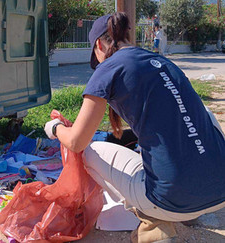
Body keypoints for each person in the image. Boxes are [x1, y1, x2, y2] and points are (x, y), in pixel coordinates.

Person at [44, 12, 225, 243]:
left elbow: (77, 141)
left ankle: (155, 224)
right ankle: (191, 212)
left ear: (99, 44)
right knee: (203, 116)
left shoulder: (108, 68)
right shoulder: (163, 62)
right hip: (219, 191)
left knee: (91, 152)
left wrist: (56, 128)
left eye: (96, 56)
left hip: (171, 200)